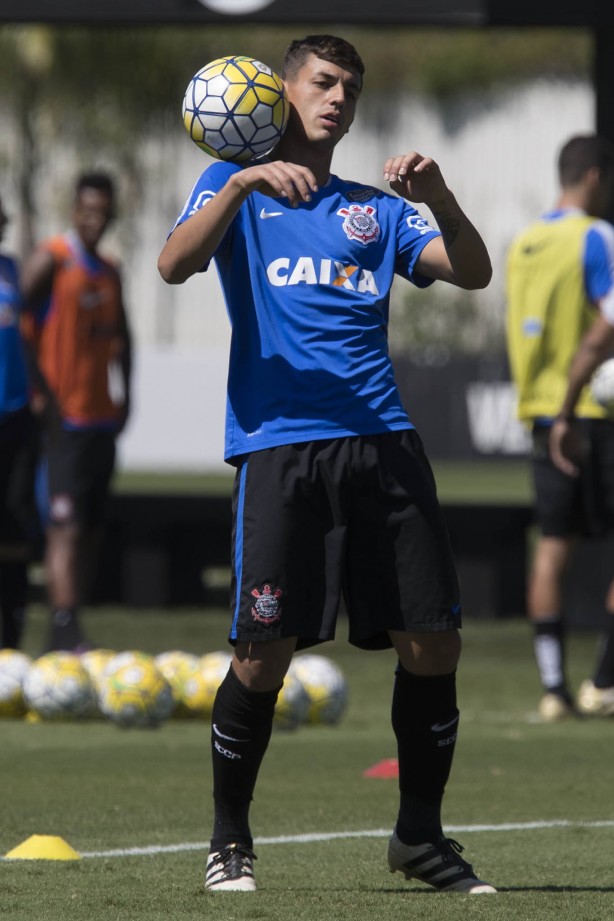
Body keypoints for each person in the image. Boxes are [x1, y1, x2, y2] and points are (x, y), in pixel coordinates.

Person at [158, 35, 495, 894]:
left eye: (350, 85)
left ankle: (419, 836)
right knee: (263, 654)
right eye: (323, 80)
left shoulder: (374, 210)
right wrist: (238, 182)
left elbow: (472, 270)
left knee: (434, 642)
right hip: (279, 448)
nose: (338, 96)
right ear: (282, 89)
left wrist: (441, 198)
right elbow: (172, 264)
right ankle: (229, 839)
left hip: (382, 442)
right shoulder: (231, 188)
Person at [506, 133, 614, 721]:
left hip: (541, 415)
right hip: (593, 413)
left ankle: (553, 689)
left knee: (550, 549)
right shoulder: (596, 236)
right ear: (595, 176)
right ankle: (604, 681)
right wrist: (575, 398)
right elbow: (607, 324)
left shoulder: (525, 241)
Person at [21, 172, 132, 653]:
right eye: (86, 211)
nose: (94, 220)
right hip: (62, 420)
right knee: (63, 527)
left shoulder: (109, 270)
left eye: (102, 212)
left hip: (99, 419)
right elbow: (15, 320)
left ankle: (64, 629)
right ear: (74, 211)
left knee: (89, 530)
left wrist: (129, 392)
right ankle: (65, 628)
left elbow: (125, 338)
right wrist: (37, 391)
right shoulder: (53, 259)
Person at [0, 193, 39, 649]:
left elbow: (28, 338)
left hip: (14, 413)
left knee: (14, 524)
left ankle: (11, 636)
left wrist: (41, 393)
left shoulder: (11, 268)